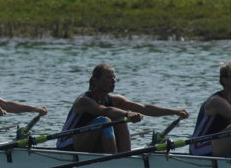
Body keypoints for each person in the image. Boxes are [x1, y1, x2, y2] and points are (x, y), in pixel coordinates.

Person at [57, 64, 189, 153]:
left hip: (88, 142)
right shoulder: (83, 101)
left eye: (114, 77)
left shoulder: (114, 100)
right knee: (105, 120)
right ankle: (116, 160)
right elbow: (105, 111)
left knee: (118, 117)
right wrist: (128, 114)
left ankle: (125, 155)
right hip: (68, 145)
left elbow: (144, 108)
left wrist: (173, 112)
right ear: (96, 81)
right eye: (108, 77)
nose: (113, 81)